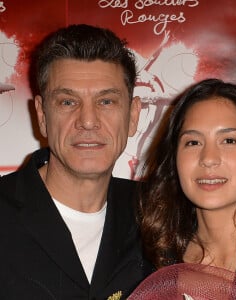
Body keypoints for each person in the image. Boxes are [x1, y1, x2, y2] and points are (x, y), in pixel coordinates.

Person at [0, 24, 153, 300]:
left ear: (133, 116)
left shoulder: (158, 214)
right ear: (42, 115)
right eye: (68, 102)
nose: (88, 121)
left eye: (106, 101)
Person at [138, 78, 236, 298]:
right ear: (174, 161)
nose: (209, 159)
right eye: (193, 142)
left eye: (229, 141)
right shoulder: (153, 259)